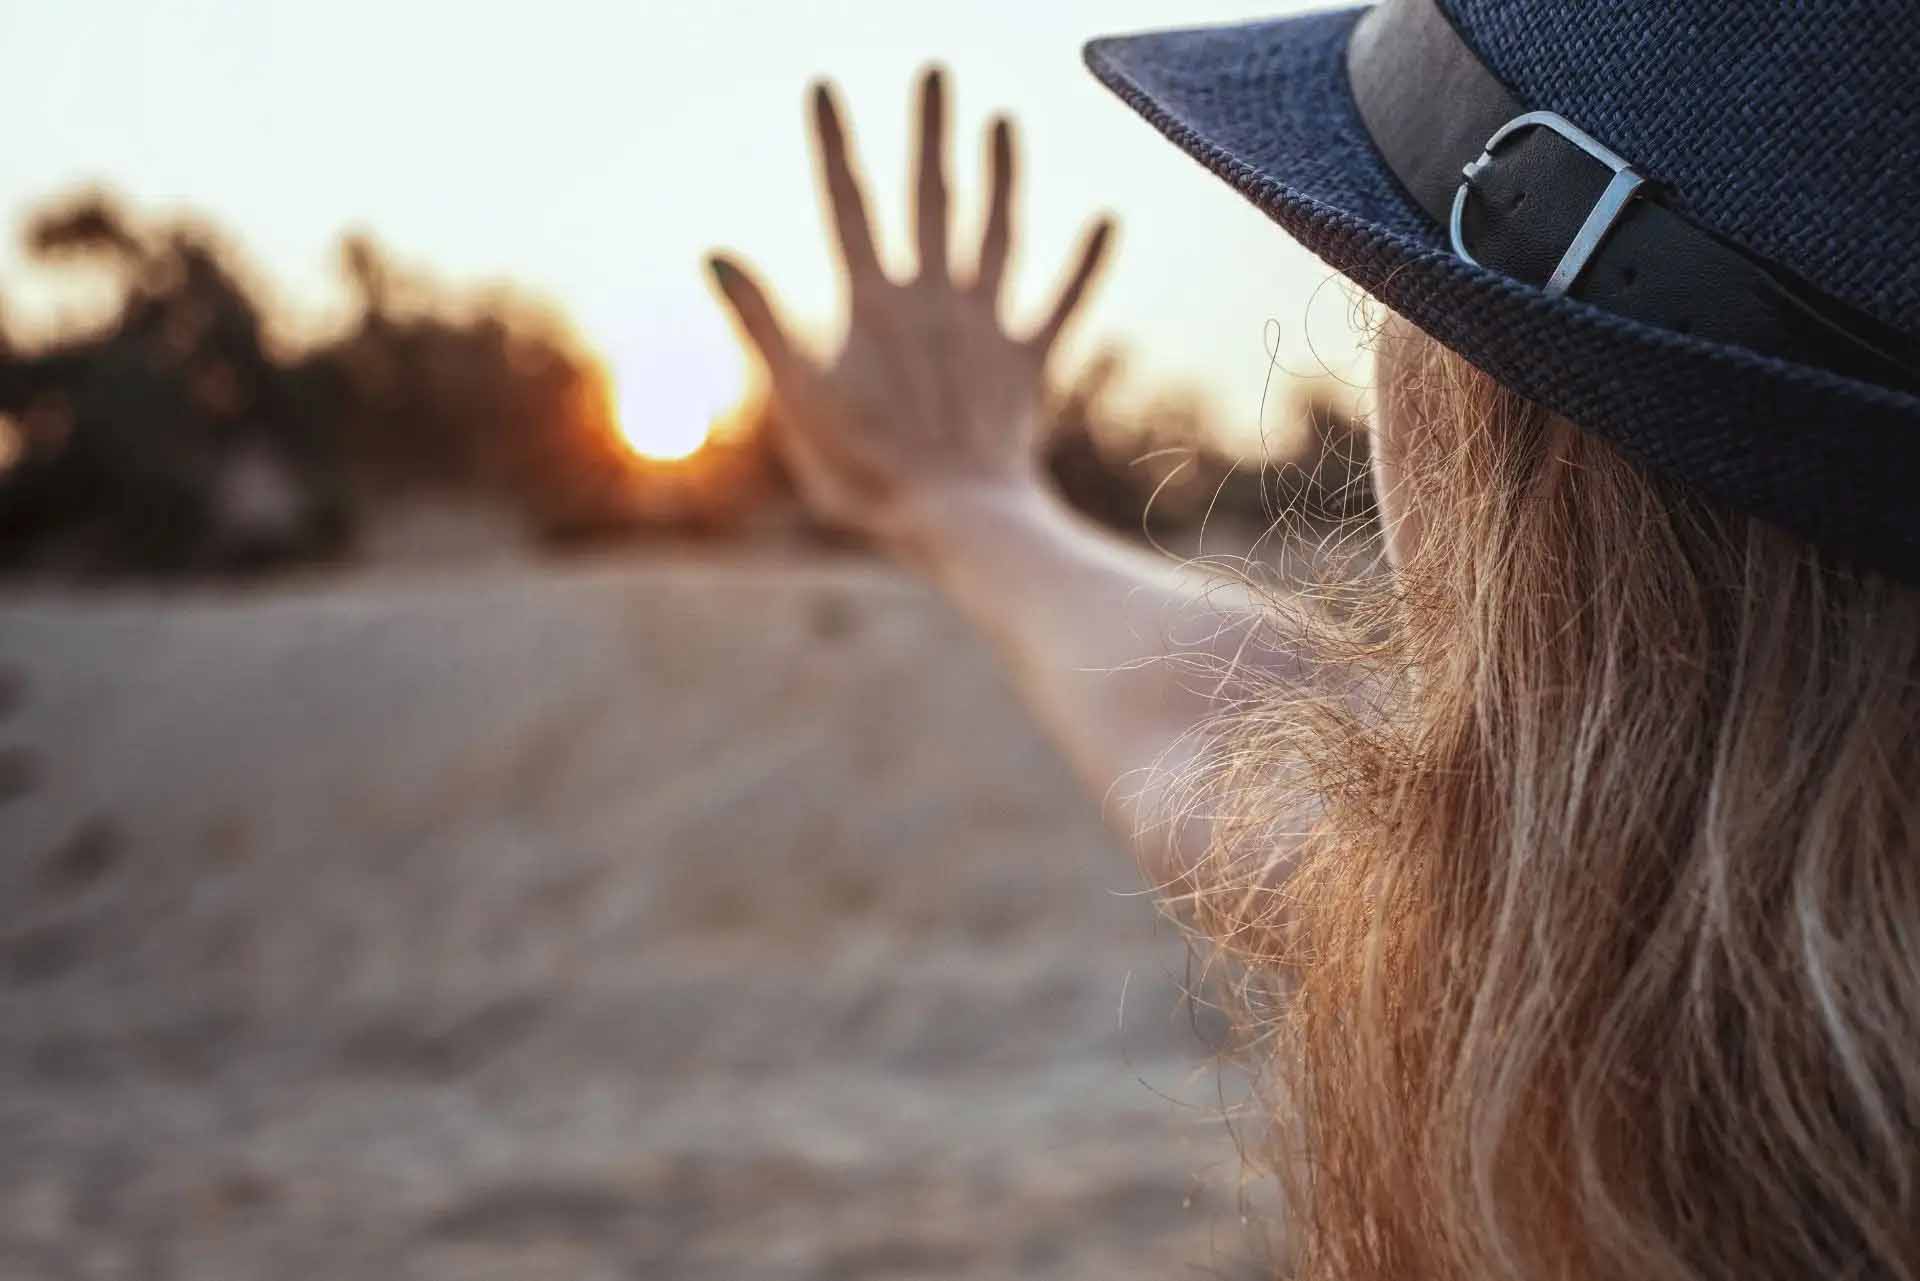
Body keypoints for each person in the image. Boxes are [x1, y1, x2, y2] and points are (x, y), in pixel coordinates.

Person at [708, 1, 1920, 1277]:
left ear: (1483, 448)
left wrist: (961, 503)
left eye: (1400, 297)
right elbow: (1222, 744)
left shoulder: (1610, 1044)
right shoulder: (1625, 950)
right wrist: (971, 505)